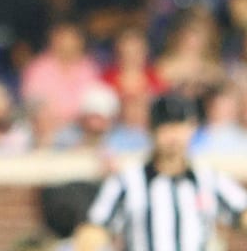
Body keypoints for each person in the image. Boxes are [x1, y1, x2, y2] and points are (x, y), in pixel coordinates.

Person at [73, 93, 247, 251]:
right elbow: (95, 228)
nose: (173, 136)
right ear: (152, 131)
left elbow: (241, 211)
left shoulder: (208, 179)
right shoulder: (127, 180)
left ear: (192, 128)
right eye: (166, 127)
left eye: (179, 126)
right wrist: (90, 240)